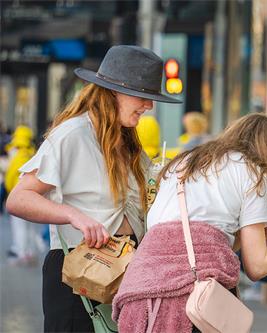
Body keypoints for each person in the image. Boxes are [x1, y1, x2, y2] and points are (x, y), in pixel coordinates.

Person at [6, 45, 180, 332]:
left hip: (123, 267)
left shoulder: (127, 139)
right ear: (113, 92)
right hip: (81, 266)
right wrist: (74, 215)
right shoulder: (72, 134)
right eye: (142, 96)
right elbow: (19, 198)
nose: (149, 106)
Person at [112, 113, 267, 332]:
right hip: (188, 298)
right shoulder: (254, 173)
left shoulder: (185, 162)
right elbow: (257, 266)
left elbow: (213, 238)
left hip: (140, 290)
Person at [4, 125, 40, 264]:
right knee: (30, 226)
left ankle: (21, 252)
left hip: (18, 196)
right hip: (34, 196)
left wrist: (8, 190)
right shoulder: (32, 153)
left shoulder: (16, 154)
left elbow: (10, 175)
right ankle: (30, 251)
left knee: (19, 227)